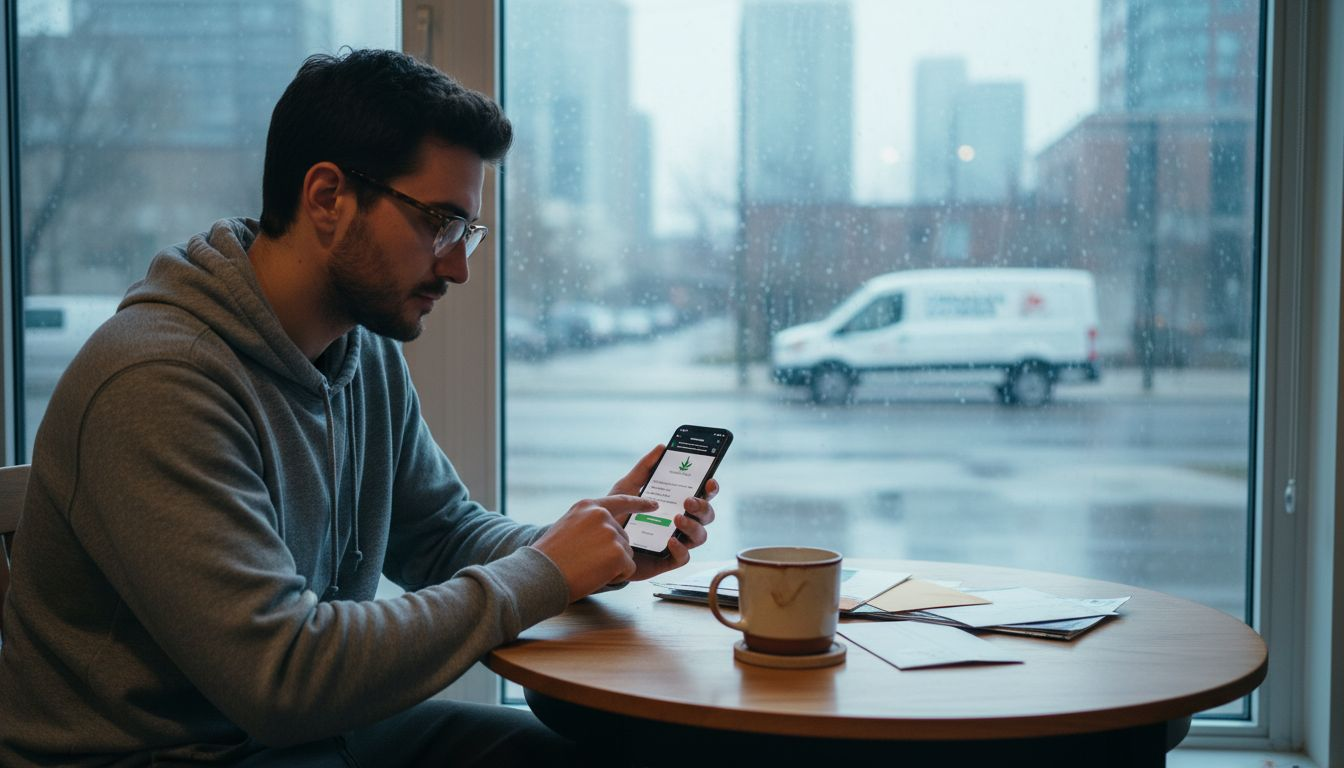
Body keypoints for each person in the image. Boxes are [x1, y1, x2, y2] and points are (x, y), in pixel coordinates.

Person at [0, 49, 716, 766]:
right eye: (438, 221)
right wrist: (544, 574)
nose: (458, 266)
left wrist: (590, 543)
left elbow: (439, 534)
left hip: (301, 737)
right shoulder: (158, 381)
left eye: (466, 231)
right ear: (327, 198)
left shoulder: (360, 351)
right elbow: (281, 679)